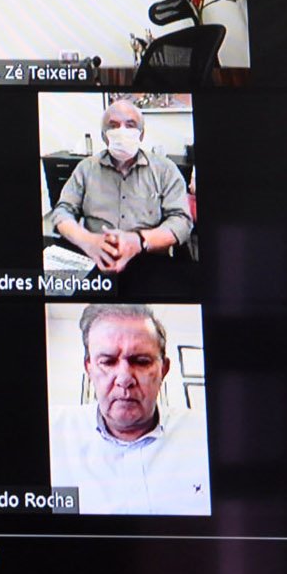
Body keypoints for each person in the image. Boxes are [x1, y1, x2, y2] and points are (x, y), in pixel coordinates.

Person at [48, 304, 210, 515]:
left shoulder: (205, 435)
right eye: (107, 361)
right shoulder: (52, 433)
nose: (124, 379)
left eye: (141, 362)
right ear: (89, 368)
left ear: (164, 369)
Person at [50, 99, 193, 274]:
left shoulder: (165, 169)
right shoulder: (86, 168)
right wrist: (87, 240)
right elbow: (62, 211)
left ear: (141, 134)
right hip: (96, 255)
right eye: (113, 126)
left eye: (130, 125)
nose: (122, 131)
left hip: (148, 258)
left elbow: (181, 220)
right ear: (104, 136)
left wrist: (139, 241)